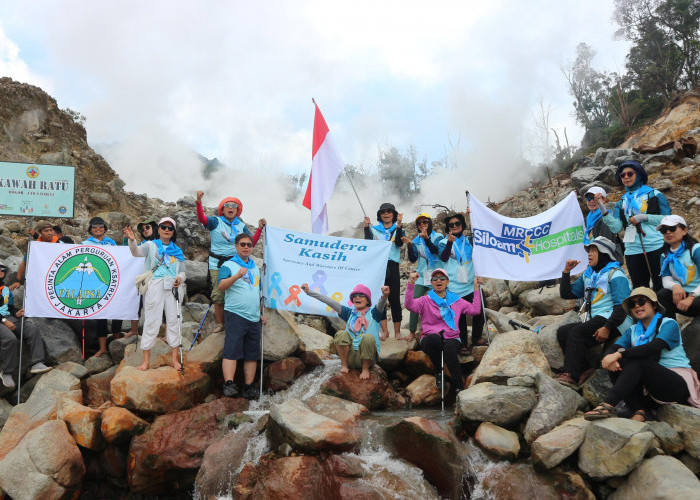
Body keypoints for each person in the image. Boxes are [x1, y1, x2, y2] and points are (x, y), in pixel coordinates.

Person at [585, 287, 700, 421]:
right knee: (617, 363)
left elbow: (653, 348)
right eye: (632, 304)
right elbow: (613, 349)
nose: (637, 306)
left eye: (641, 301)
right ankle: (639, 410)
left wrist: (619, 354)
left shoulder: (669, 324)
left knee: (638, 360)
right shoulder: (632, 330)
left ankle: (608, 404)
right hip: (649, 390)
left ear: (654, 305)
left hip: (675, 386)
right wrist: (610, 357)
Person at [556, 237, 632, 388]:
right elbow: (567, 293)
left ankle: (571, 375)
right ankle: (584, 368)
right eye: (589, 250)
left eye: (594, 250)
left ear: (604, 253)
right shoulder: (589, 275)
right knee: (563, 332)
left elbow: (622, 308)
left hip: (615, 320)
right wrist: (566, 272)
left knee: (577, 332)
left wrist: (607, 328)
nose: (589, 254)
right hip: (596, 319)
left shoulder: (616, 275)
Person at [195, 190, 265, 334]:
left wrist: (259, 228)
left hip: (236, 263)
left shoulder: (240, 225)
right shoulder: (216, 221)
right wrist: (199, 202)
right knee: (219, 293)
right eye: (227, 205)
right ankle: (220, 324)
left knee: (238, 291)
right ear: (223, 209)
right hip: (218, 263)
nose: (231, 207)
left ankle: (238, 320)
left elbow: (250, 241)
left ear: (237, 210)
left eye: (234, 206)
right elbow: (202, 219)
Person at [596, 160, 671, 289]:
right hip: (632, 249)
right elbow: (617, 227)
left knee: (661, 285)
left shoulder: (655, 195)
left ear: (639, 174)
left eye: (630, 174)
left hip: (656, 246)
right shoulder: (621, 202)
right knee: (639, 288)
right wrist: (602, 208)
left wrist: (643, 217)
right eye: (622, 175)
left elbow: (668, 219)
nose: (626, 177)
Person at [405, 268, 482, 392]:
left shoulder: (456, 300)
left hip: (451, 337)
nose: (438, 280)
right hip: (430, 338)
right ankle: (438, 372)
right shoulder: (425, 300)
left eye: (442, 278)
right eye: (435, 278)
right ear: (431, 283)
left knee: (450, 349)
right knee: (434, 339)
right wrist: (411, 284)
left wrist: (476, 289)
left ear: (447, 282)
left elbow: (475, 310)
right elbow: (409, 305)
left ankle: (459, 388)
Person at [124, 217, 186, 371]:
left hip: (173, 286)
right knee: (152, 320)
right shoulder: (150, 245)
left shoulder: (178, 251)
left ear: (173, 232)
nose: (166, 230)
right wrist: (132, 240)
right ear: (158, 229)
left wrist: (180, 278)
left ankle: (174, 359)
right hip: (155, 286)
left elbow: (183, 271)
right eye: (163, 227)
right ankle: (145, 362)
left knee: (174, 320)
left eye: (170, 228)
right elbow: (136, 252)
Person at [302, 283, 388, 380]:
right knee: (341, 334)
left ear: (368, 300)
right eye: (355, 296)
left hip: (368, 357)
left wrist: (384, 296)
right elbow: (330, 302)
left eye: (361, 296)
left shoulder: (374, 313)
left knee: (368, 337)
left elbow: (381, 304)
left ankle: (365, 369)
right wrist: (309, 292)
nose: (357, 298)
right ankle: (345, 365)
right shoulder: (349, 313)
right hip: (350, 356)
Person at [217, 233, 263, 399]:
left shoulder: (255, 268)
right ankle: (229, 383)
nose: (246, 247)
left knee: (252, 353)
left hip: (253, 317)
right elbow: (221, 286)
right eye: (242, 244)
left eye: (249, 245)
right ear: (236, 246)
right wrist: (236, 276)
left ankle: (249, 386)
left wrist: (260, 313)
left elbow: (258, 291)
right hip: (235, 313)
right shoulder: (228, 265)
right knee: (232, 349)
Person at [438, 212, 485, 352]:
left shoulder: (470, 241)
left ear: (463, 226)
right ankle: (463, 343)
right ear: (448, 228)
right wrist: (449, 242)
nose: (454, 226)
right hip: (453, 286)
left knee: (480, 310)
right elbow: (444, 258)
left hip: (471, 284)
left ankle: (477, 337)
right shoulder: (443, 242)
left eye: (457, 224)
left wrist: (473, 215)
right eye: (451, 225)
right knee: (459, 317)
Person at [0, 262, 51, 389]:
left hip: (9, 317)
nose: (1, 272)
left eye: (3, 270)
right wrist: (4, 321)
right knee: (10, 339)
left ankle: (37, 363)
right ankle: (6, 372)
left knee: (32, 329)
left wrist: (16, 312)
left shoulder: (6, 289)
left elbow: (9, 307)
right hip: (1, 320)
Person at [364, 203, 405, 341]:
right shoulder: (374, 230)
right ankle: (385, 331)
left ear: (394, 214)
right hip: (378, 266)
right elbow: (369, 243)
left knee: (394, 299)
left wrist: (399, 226)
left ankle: (397, 332)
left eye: (389, 212)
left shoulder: (398, 228)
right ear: (380, 215)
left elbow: (399, 243)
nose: (386, 214)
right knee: (380, 299)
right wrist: (366, 227)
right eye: (383, 212)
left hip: (392, 266)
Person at [82, 217, 120, 356]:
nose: (98, 229)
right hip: (95, 281)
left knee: (117, 311)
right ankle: (103, 347)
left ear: (105, 228)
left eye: (101, 226)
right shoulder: (85, 243)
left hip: (112, 279)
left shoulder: (111, 243)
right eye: (95, 227)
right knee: (101, 314)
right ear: (90, 229)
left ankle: (117, 342)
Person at [402, 213, 442, 342]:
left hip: (436, 275)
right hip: (421, 275)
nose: (422, 225)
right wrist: (409, 245)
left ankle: (438, 328)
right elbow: (413, 259)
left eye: (425, 222)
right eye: (419, 223)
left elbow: (436, 250)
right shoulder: (416, 240)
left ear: (429, 223)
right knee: (414, 301)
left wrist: (426, 239)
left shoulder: (438, 237)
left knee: (438, 302)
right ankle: (412, 331)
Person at [656, 215, 700, 318]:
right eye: (663, 230)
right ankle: (671, 329)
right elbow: (666, 279)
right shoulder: (665, 255)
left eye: (672, 228)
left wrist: (692, 296)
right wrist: (675, 286)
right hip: (682, 297)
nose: (667, 232)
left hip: (696, 296)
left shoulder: (695, 250)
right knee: (662, 295)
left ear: (684, 230)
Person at [123, 220, 159, 338]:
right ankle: (134, 330)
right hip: (141, 278)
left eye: (147, 227)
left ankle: (157, 332)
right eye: (142, 229)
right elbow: (131, 252)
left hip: (157, 280)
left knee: (157, 306)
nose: (145, 230)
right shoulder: (144, 244)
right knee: (136, 304)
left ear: (154, 227)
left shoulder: (162, 243)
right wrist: (128, 239)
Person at [10, 221, 59, 291]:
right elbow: (24, 263)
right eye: (46, 231)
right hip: (41, 280)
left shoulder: (59, 243)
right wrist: (18, 281)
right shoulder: (35, 247)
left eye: (51, 230)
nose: (50, 233)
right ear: (40, 233)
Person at [582, 187, 621, 258]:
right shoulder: (588, 218)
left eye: (595, 198)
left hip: (604, 258)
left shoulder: (606, 219)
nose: (591, 201)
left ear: (604, 200)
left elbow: (606, 243)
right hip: (595, 257)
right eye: (588, 198)